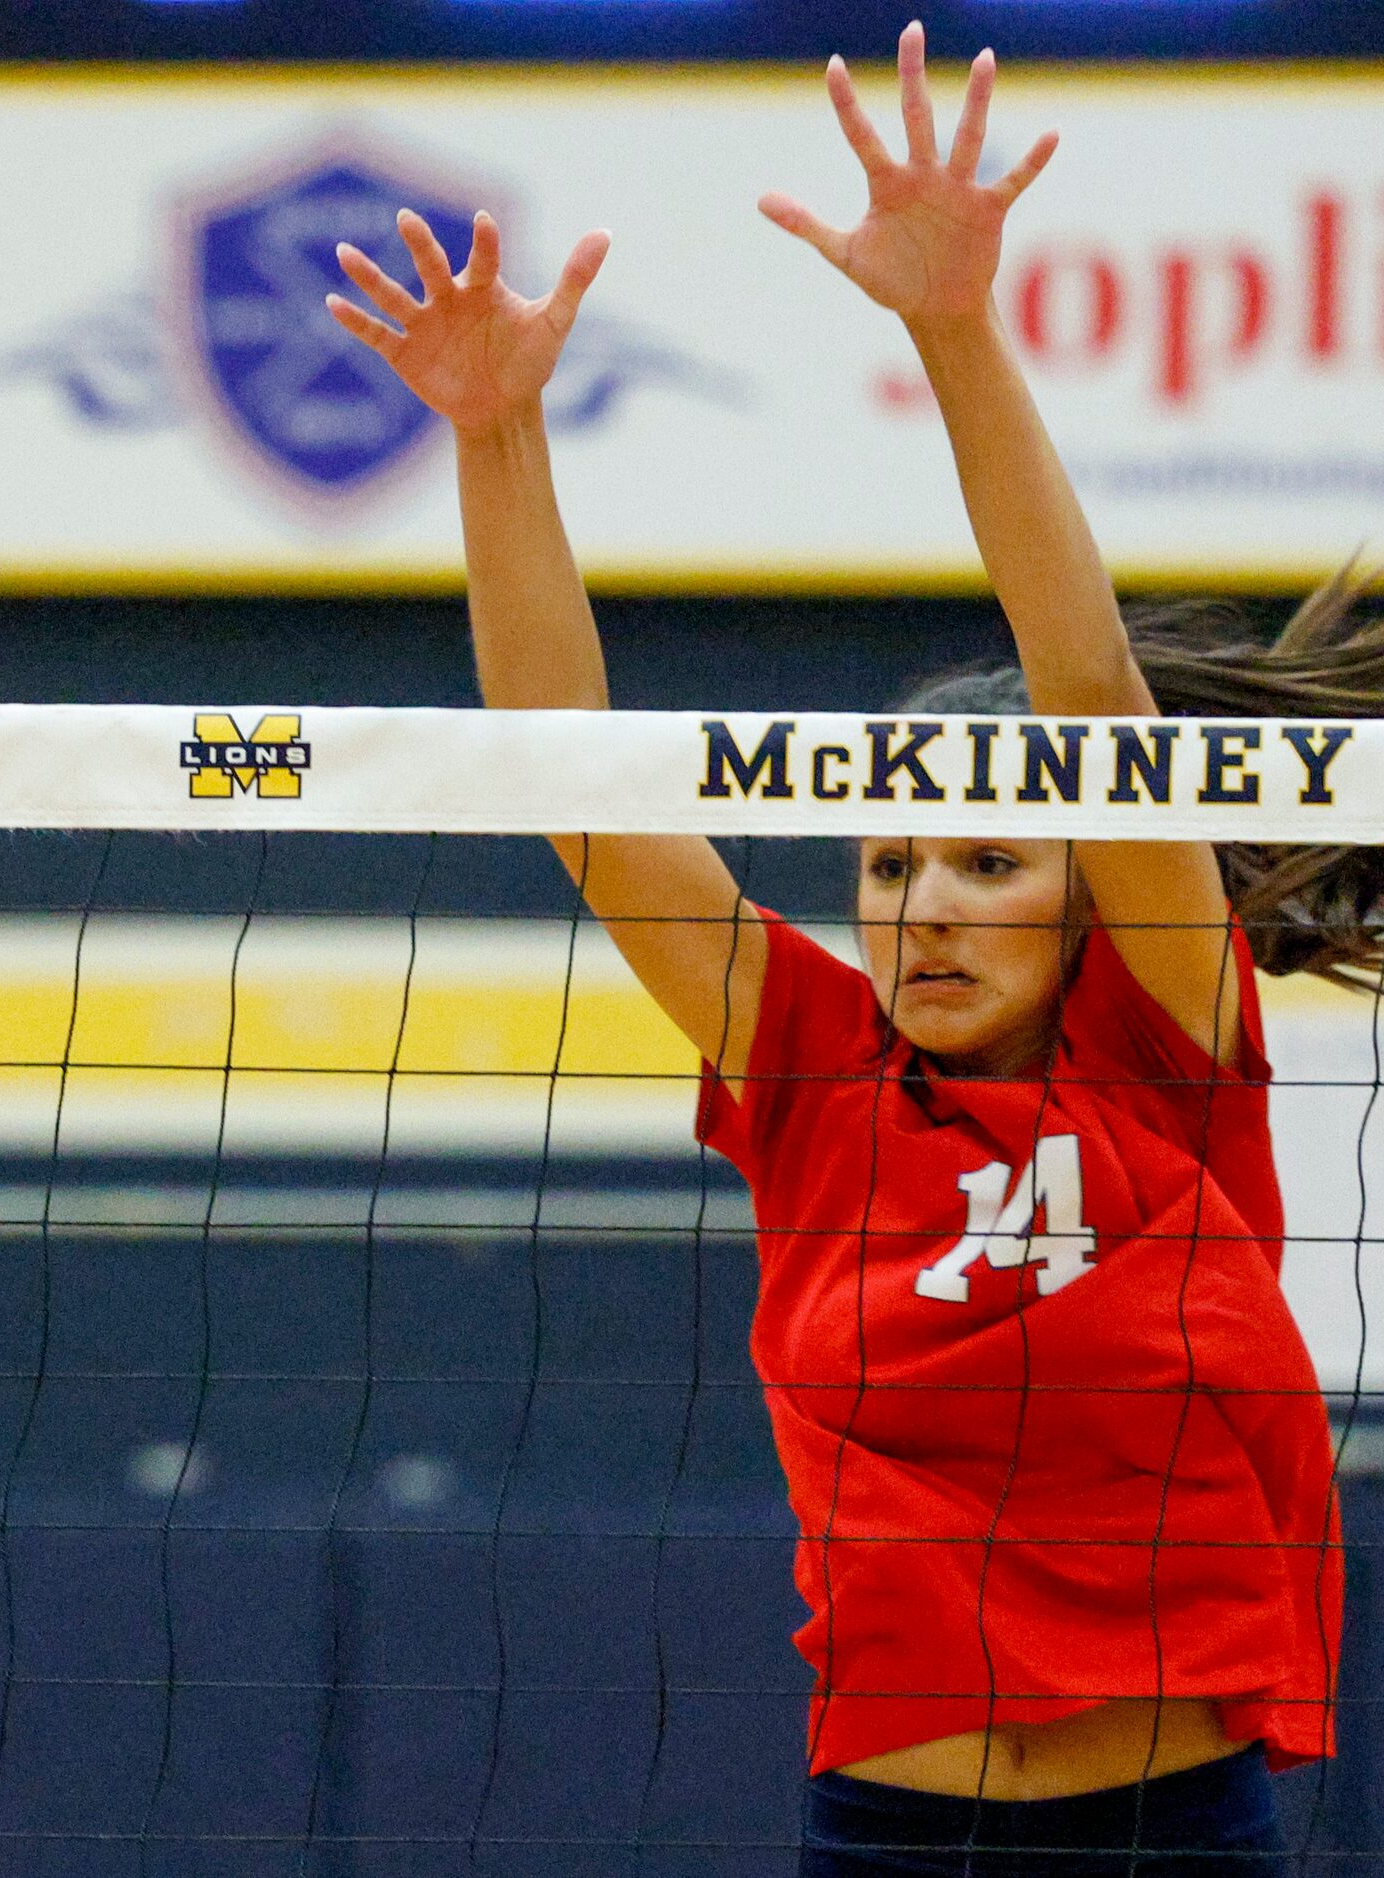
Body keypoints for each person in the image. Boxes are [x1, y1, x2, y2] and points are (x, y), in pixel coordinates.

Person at [328, 25, 1349, 1875]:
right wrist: (495, 439)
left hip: (1176, 1834)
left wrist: (952, 330)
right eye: (887, 863)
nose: (925, 902)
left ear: (1084, 886)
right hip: (886, 1839)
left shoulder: (1167, 1055)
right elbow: (578, 785)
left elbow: (1091, 690)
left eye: (983, 857)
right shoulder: (807, 1070)